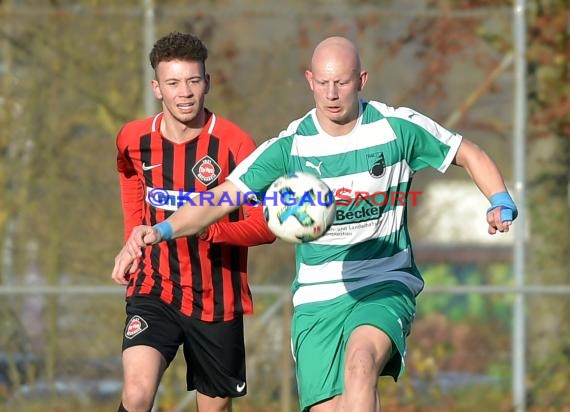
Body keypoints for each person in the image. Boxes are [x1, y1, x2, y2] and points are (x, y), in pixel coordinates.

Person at [112, 36, 518, 412]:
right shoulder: (291, 146)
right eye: (323, 82)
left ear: (361, 80)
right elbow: (218, 199)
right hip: (316, 296)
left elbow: (469, 153)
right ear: (310, 80)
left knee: (360, 366)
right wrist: (160, 231)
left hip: (383, 279)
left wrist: (499, 199)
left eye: (341, 82)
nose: (332, 93)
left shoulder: (396, 128)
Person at [112, 31, 275, 412]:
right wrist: (133, 238)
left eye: (193, 81)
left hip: (217, 300)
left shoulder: (236, 145)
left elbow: (266, 226)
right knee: (136, 395)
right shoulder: (134, 138)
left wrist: (213, 228)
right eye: (173, 83)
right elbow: (130, 177)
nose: (184, 92)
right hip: (155, 288)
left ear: (208, 83)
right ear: (157, 88)